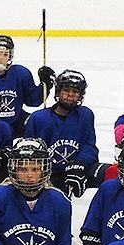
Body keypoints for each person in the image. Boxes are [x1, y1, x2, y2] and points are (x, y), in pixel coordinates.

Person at [24, 69, 105, 198]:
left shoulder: (85, 115)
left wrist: (79, 165)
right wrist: (41, 177)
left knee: (109, 172)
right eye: (66, 91)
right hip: (48, 174)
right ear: (58, 92)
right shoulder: (38, 118)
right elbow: (28, 151)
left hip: (76, 169)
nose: (70, 95)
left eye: (75, 92)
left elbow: (90, 146)